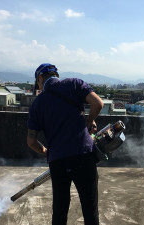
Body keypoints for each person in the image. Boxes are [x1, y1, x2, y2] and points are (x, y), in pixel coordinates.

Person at [27, 63, 104, 225]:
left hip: (58, 161)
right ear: (56, 75)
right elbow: (98, 104)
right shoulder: (74, 84)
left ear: (40, 78)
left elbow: (31, 141)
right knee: (90, 209)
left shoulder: (37, 104)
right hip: (83, 156)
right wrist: (89, 121)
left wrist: (48, 152)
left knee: (60, 210)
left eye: (38, 84)